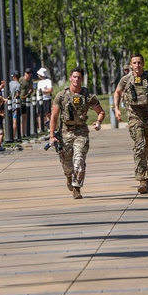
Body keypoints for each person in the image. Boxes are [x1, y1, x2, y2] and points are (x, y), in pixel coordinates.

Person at [113, 53, 148, 194]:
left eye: (139, 63)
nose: (137, 65)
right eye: (134, 63)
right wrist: (117, 109)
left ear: (143, 64)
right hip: (134, 116)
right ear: (131, 65)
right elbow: (117, 92)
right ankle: (142, 180)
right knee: (139, 146)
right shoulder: (126, 79)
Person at [50, 68, 104, 199]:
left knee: (79, 159)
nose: (76, 79)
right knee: (67, 164)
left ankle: (76, 187)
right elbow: (54, 116)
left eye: (79, 77)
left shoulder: (87, 95)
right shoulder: (61, 96)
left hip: (81, 131)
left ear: (82, 79)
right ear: (70, 78)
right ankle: (69, 177)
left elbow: (101, 112)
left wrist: (98, 122)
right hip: (65, 132)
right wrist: (52, 136)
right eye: (74, 77)